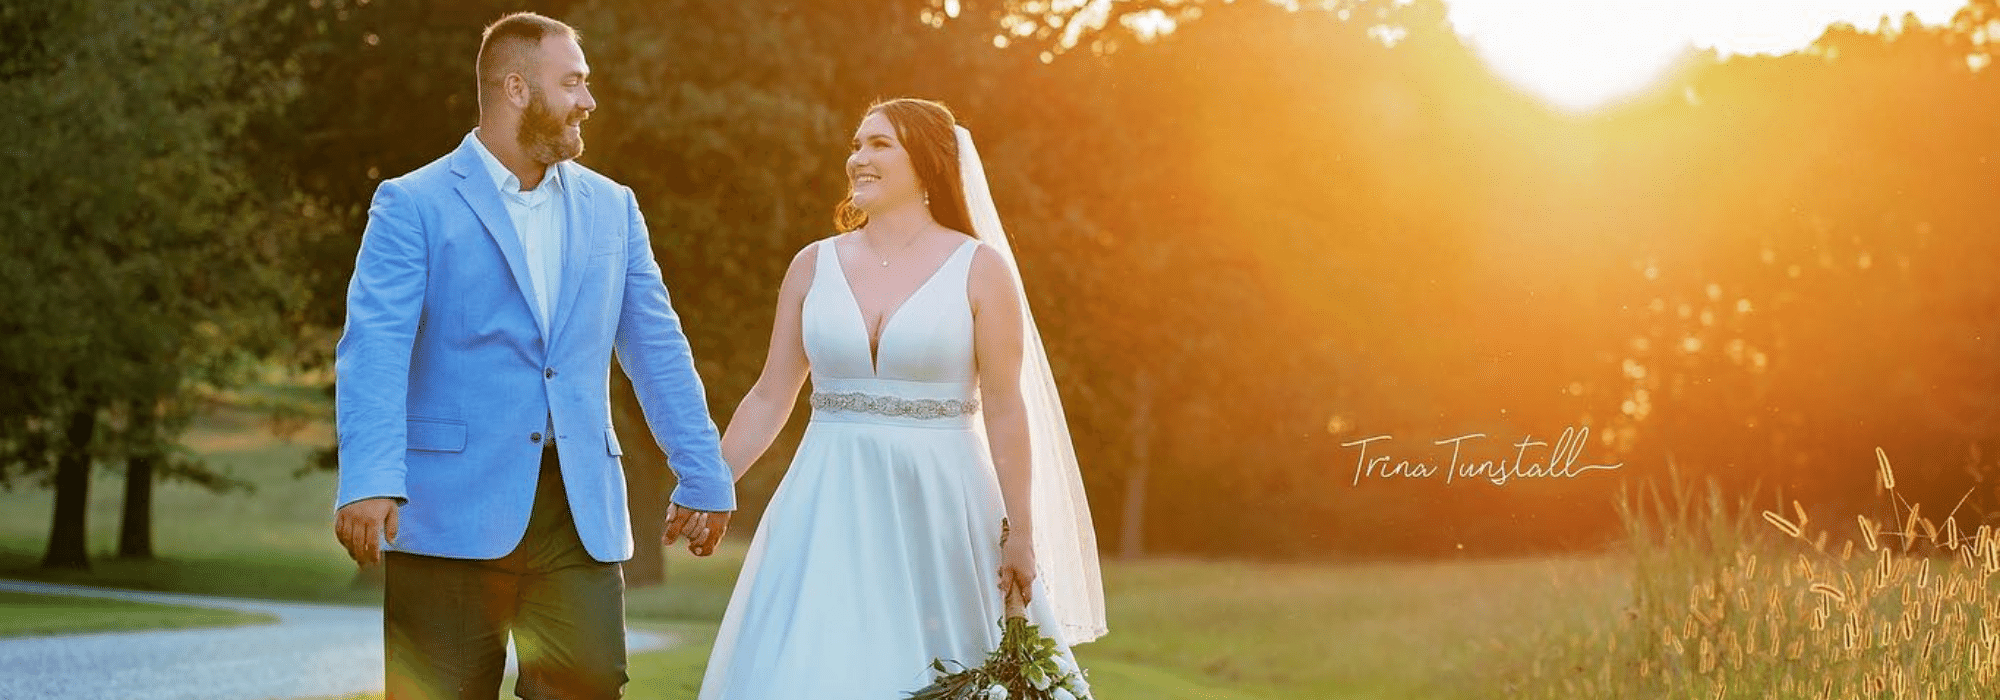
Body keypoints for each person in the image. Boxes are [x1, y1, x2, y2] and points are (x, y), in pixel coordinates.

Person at [331, 12, 734, 699]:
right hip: (448, 513)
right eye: (572, 82)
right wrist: (369, 475)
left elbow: (658, 347)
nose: (588, 100)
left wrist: (704, 473)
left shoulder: (614, 208)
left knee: (590, 685)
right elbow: (375, 348)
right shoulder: (412, 204)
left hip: (575, 514)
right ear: (517, 89)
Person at [695, 97, 1107, 698]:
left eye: (878, 144)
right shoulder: (812, 265)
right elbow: (770, 392)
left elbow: (1005, 408)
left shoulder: (980, 270)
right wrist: (714, 482)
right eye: (856, 145)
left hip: (943, 507)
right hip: (825, 503)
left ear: (927, 163)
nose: (857, 158)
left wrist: (1022, 529)